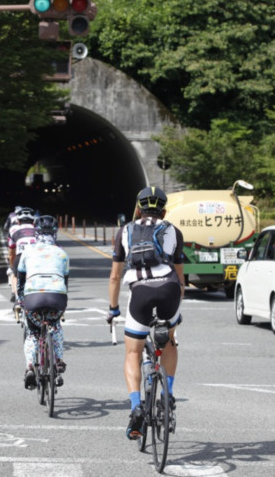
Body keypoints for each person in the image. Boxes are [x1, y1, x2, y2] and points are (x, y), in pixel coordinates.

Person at [107, 186, 185, 440]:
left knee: (133, 351)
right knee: (170, 341)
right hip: (169, 290)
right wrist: (175, 313)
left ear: (138, 208)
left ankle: (136, 406)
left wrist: (113, 309)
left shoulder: (125, 231)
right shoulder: (173, 231)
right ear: (164, 210)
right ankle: (168, 394)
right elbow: (181, 279)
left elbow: (115, 276)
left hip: (140, 292)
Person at [17, 215, 70, 389]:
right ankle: (59, 360)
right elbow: (66, 282)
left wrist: (20, 300)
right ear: (55, 234)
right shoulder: (62, 254)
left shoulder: (28, 252)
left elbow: (20, 282)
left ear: (36, 233)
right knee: (55, 326)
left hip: (33, 297)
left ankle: (31, 367)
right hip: (57, 297)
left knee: (32, 332)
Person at [7, 208, 38, 302]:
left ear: (18, 221)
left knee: (15, 275)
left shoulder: (13, 230)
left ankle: (17, 296)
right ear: (33, 221)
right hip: (36, 257)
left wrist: (12, 266)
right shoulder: (38, 230)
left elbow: (12, 252)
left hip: (20, 256)